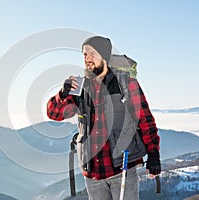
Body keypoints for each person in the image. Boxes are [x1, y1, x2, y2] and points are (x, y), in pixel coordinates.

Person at [46, 36, 161, 200]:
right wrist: (62, 95)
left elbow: (145, 120)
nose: (87, 58)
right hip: (92, 173)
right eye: (84, 54)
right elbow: (54, 114)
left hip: (122, 169)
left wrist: (154, 155)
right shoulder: (81, 87)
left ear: (104, 56)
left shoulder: (126, 84)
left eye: (92, 53)